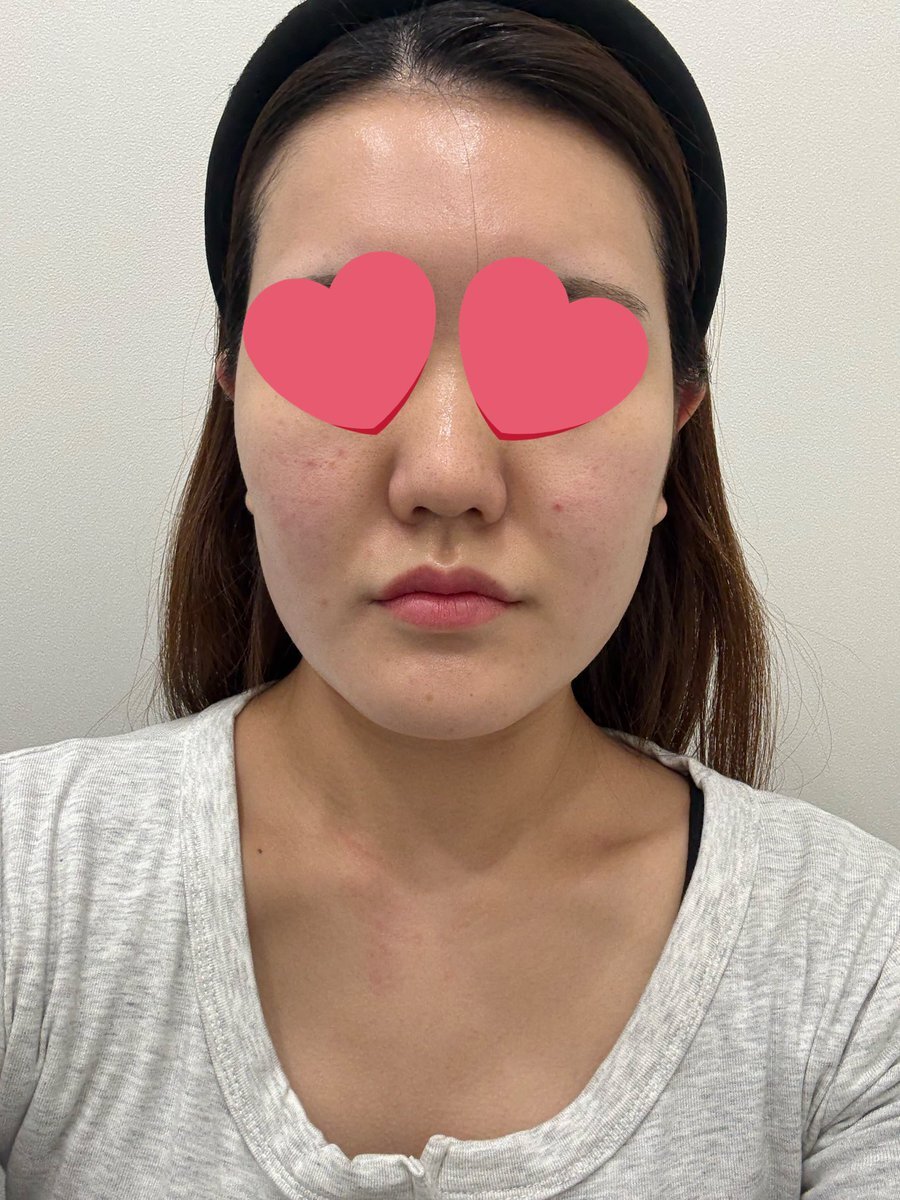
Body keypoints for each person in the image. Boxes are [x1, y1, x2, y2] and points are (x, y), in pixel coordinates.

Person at [1, 3, 897, 1196]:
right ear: (233, 395)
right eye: (343, 347)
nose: (447, 475)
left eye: (560, 355)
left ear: (678, 426)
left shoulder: (861, 973)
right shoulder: (27, 888)